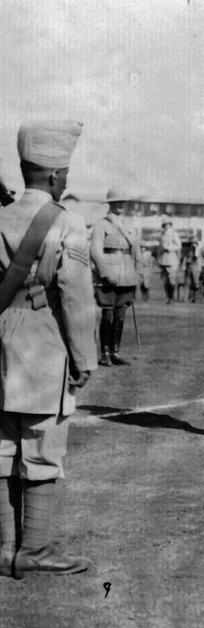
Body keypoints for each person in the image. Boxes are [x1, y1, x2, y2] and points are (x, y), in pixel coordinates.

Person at [0, 119, 98, 577]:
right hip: (41, 339)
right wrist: (84, 359)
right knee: (41, 445)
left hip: (0, 335)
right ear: (57, 175)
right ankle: (34, 551)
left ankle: (4, 550)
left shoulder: (0, 217)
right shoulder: (67, 222)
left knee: (1, 444)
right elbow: (76, 298)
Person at [90, 187, 139, 366]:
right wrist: (105, 273)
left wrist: (137, 272)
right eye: (116, 202)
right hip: (108, 274)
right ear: (110, 204)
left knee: (120, 314)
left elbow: (136, 251)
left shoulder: (129, 225)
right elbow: (95, 251)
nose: (120, 205)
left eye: (122, 202)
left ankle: (115, 352)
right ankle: (104, 353)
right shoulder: (101, 224)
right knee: (108, 314)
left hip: (126, 274)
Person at [158, 221, 181, 303]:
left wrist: (169, 248)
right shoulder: (162, 235)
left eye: (167, 224)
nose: (166, 226)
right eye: (164, 225)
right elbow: (160, 248)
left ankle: (172, 297)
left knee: (172, 280)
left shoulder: (174, 234)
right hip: (164, 259)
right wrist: (159, 259)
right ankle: (167, 298)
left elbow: (179, 245)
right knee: (165, 280)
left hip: (172, 258)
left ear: (170, 225)